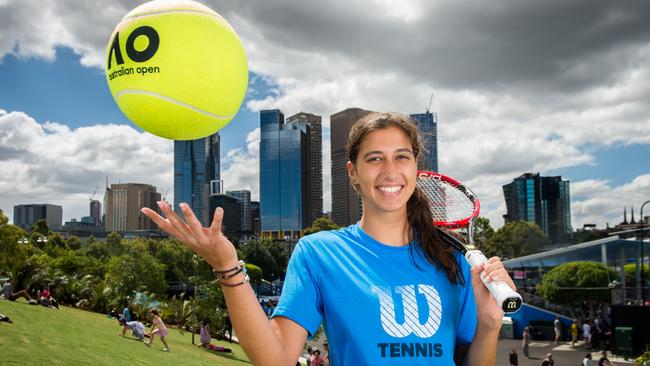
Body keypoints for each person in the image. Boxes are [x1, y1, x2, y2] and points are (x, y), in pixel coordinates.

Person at [141, 112, 517, 365]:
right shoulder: (319, 252)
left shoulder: (452, 260)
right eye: (374, 159)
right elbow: (276, 358)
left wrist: (489, 322)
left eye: (402, 157)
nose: (390, 171)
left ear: (416, 168)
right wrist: (226, 264)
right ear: (353, 173)